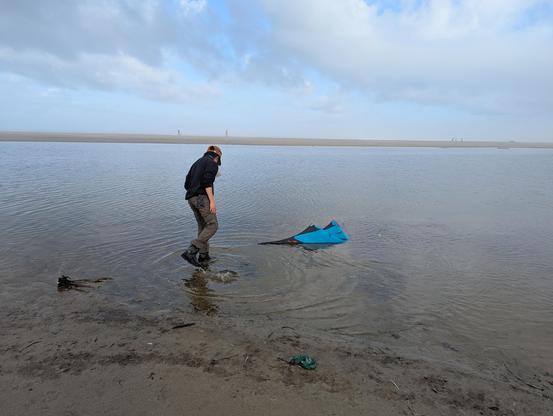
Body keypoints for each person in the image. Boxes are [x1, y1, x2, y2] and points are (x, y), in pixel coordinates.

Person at [181, 145, 222, 267]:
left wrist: (195, 192)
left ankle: (204, 257)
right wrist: (212, 201)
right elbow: (207, 182)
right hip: (201, 198)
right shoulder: (212, 163)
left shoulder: (197, 163)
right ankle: (191, 251)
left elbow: (187, 184)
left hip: (191, 199)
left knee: (203, 227)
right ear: (217, 157)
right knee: (213, 225)